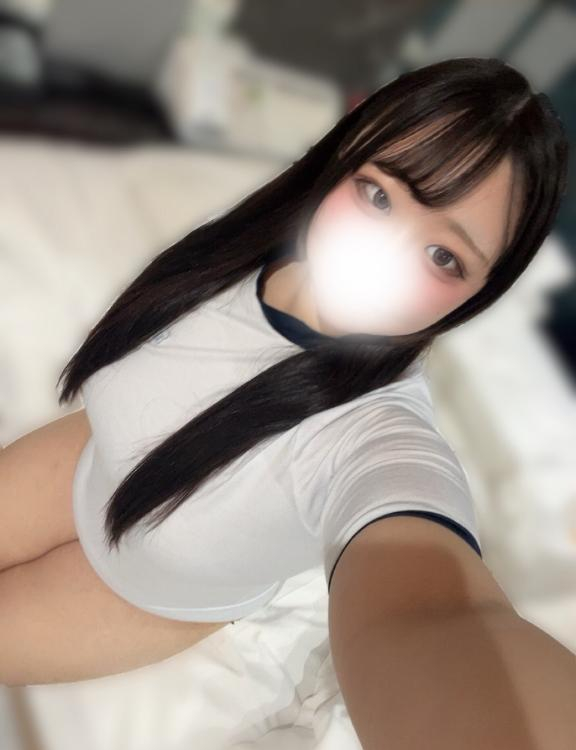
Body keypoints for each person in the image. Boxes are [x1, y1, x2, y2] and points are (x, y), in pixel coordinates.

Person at [0, 55, 569, 712]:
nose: (384, 256)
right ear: (348, 150)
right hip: (87, 460)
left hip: (143, 591)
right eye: (378, 195)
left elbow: (433, 605)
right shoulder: (248, 242)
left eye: (444, 257)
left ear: (479, 295)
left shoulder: (374, 434)